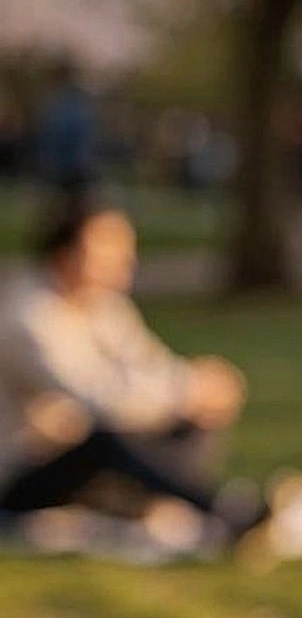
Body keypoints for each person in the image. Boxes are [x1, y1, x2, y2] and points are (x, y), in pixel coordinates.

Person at [0, 196, 257, 546]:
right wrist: (182, 392)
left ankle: (165, 502)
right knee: (106, 439)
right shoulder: (28, 316)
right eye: (108, 250)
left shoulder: (103, 306)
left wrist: (195, 385)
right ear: (66, 253)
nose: (125, 261)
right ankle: (220, 512)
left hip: (81, 456)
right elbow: (98, 399)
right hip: (23, 472)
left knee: (195, 413)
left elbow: (148, 366)